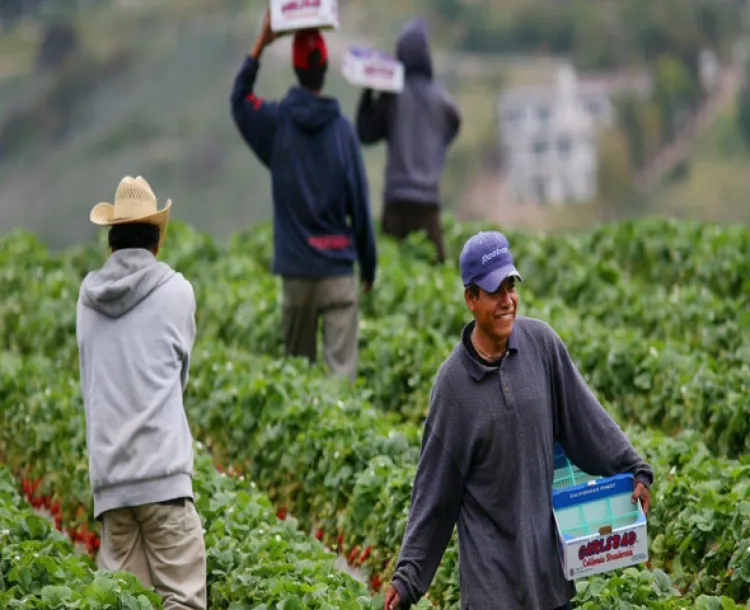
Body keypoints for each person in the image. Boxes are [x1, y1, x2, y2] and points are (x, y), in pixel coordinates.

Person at [383, 230, 654, 610]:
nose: (508, 300)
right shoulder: (453, 388)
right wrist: (408, 578)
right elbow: (436, 491)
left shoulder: (541, 345)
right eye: (495, 292)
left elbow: (586, 422)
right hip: (490, 589)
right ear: (471, 299)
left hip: (549, 577)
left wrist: (634, 468)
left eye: (511, 286)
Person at [77, 175, 206, 610]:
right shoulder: (178, 292)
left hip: (111, 484)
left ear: (111, 242)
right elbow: (178, 378)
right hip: (164, 478)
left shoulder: (87, 298)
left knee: (124, 602)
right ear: (156, 242)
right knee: (182, 601)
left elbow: (89, 377)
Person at [230, 10, 378, 382]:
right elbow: (360, 204)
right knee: (340, 384)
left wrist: (261, 45)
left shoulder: (275, 123)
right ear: (325, 67)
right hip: (338, 271)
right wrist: (368, 263)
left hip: (296, 272)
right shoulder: (342, 131)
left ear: (296, 70)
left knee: (298, 381)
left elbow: (239, 100)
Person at [356, 16, 461, 264]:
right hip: (428, 202)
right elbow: (455, 121)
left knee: (391, 268)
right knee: (437, 270)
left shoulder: (392, 97)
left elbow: (365, 132)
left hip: (396, 200)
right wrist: (437, 145)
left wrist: (369, 89)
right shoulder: (441, 101)